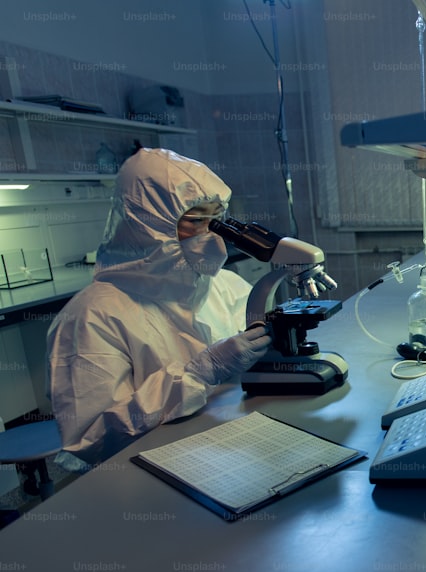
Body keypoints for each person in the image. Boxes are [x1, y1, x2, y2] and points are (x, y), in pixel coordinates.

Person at [47, 148, 272, 468]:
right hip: (151, 472)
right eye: (196, 222)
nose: (212, 235)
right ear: (150, 226)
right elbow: (91, 440)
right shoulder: (91, 317)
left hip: (233, 446)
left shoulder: (225, 285)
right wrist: (199, 374)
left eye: (216, 219)